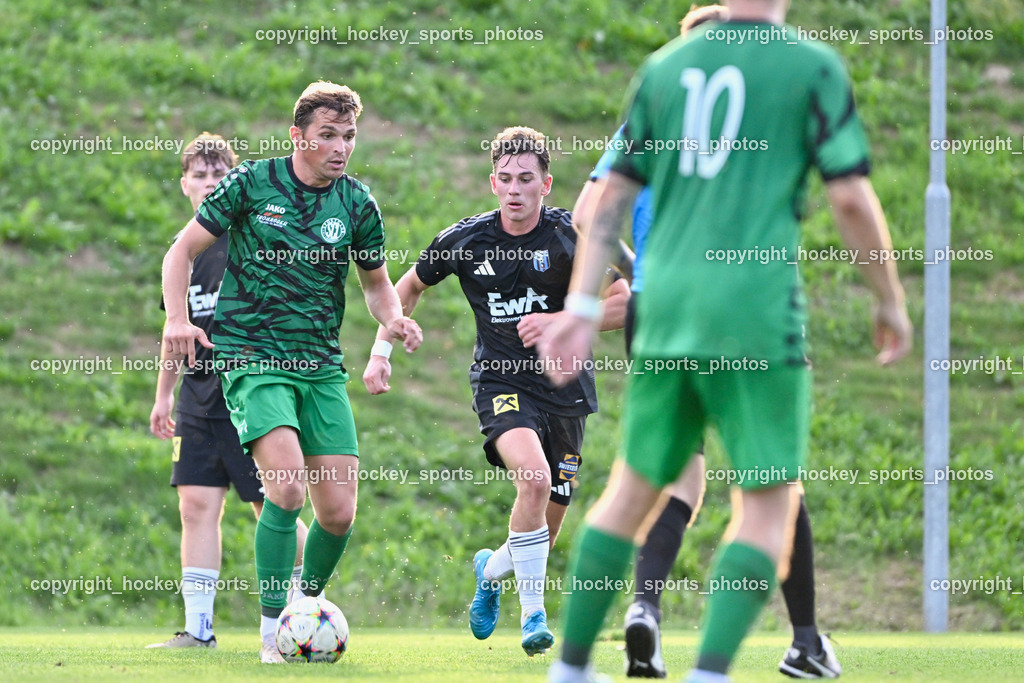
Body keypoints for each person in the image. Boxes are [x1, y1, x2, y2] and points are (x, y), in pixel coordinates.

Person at [541, 0, 913, 680]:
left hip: (664, 306)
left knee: (629, 491)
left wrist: (584, 303)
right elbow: (853, 199)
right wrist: (889, 299)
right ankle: (718, 668)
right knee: (769, 497)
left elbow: (602, 203)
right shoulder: (810, 67)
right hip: (754, 307)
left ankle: (570, 666)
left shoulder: (663, 69)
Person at [161, 82, 422, 663]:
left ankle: (307, 604)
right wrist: (178, 320)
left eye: (349, 136)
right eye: (328, 135)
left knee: (339, 512)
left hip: (321, 368)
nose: (341, 148)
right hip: (254, 359)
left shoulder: (357, 204)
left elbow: (377, 286)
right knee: (285, 486)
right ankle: (272, 629)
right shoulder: (253, 184)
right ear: (297, 136)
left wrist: (395, 320)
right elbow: (178, 252)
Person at [363, 126, 630, 657]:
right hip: (501, 383)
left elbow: (623, 303)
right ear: (492, 182)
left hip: (567, 390)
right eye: (505, 179)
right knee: (532, 480)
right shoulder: (466, 240)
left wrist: (562, 320)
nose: (515, 189)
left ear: (546, 184)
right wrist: (381, 351)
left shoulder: (569, 239)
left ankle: (492, 569)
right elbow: (408, 287)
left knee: (544, 531)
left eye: (526, 179)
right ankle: (534, 615)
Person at [147, 133, 309, 649]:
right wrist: (163, 396)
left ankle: (309, 604)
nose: (211, 183)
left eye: (220, 175)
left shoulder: (250, 241)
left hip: (249, 393)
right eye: (200, 174)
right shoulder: (183, 251)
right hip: (197, 399)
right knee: (195, 505)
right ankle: (198, 630)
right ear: (184, 184)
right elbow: (176, 332)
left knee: (274, 507)